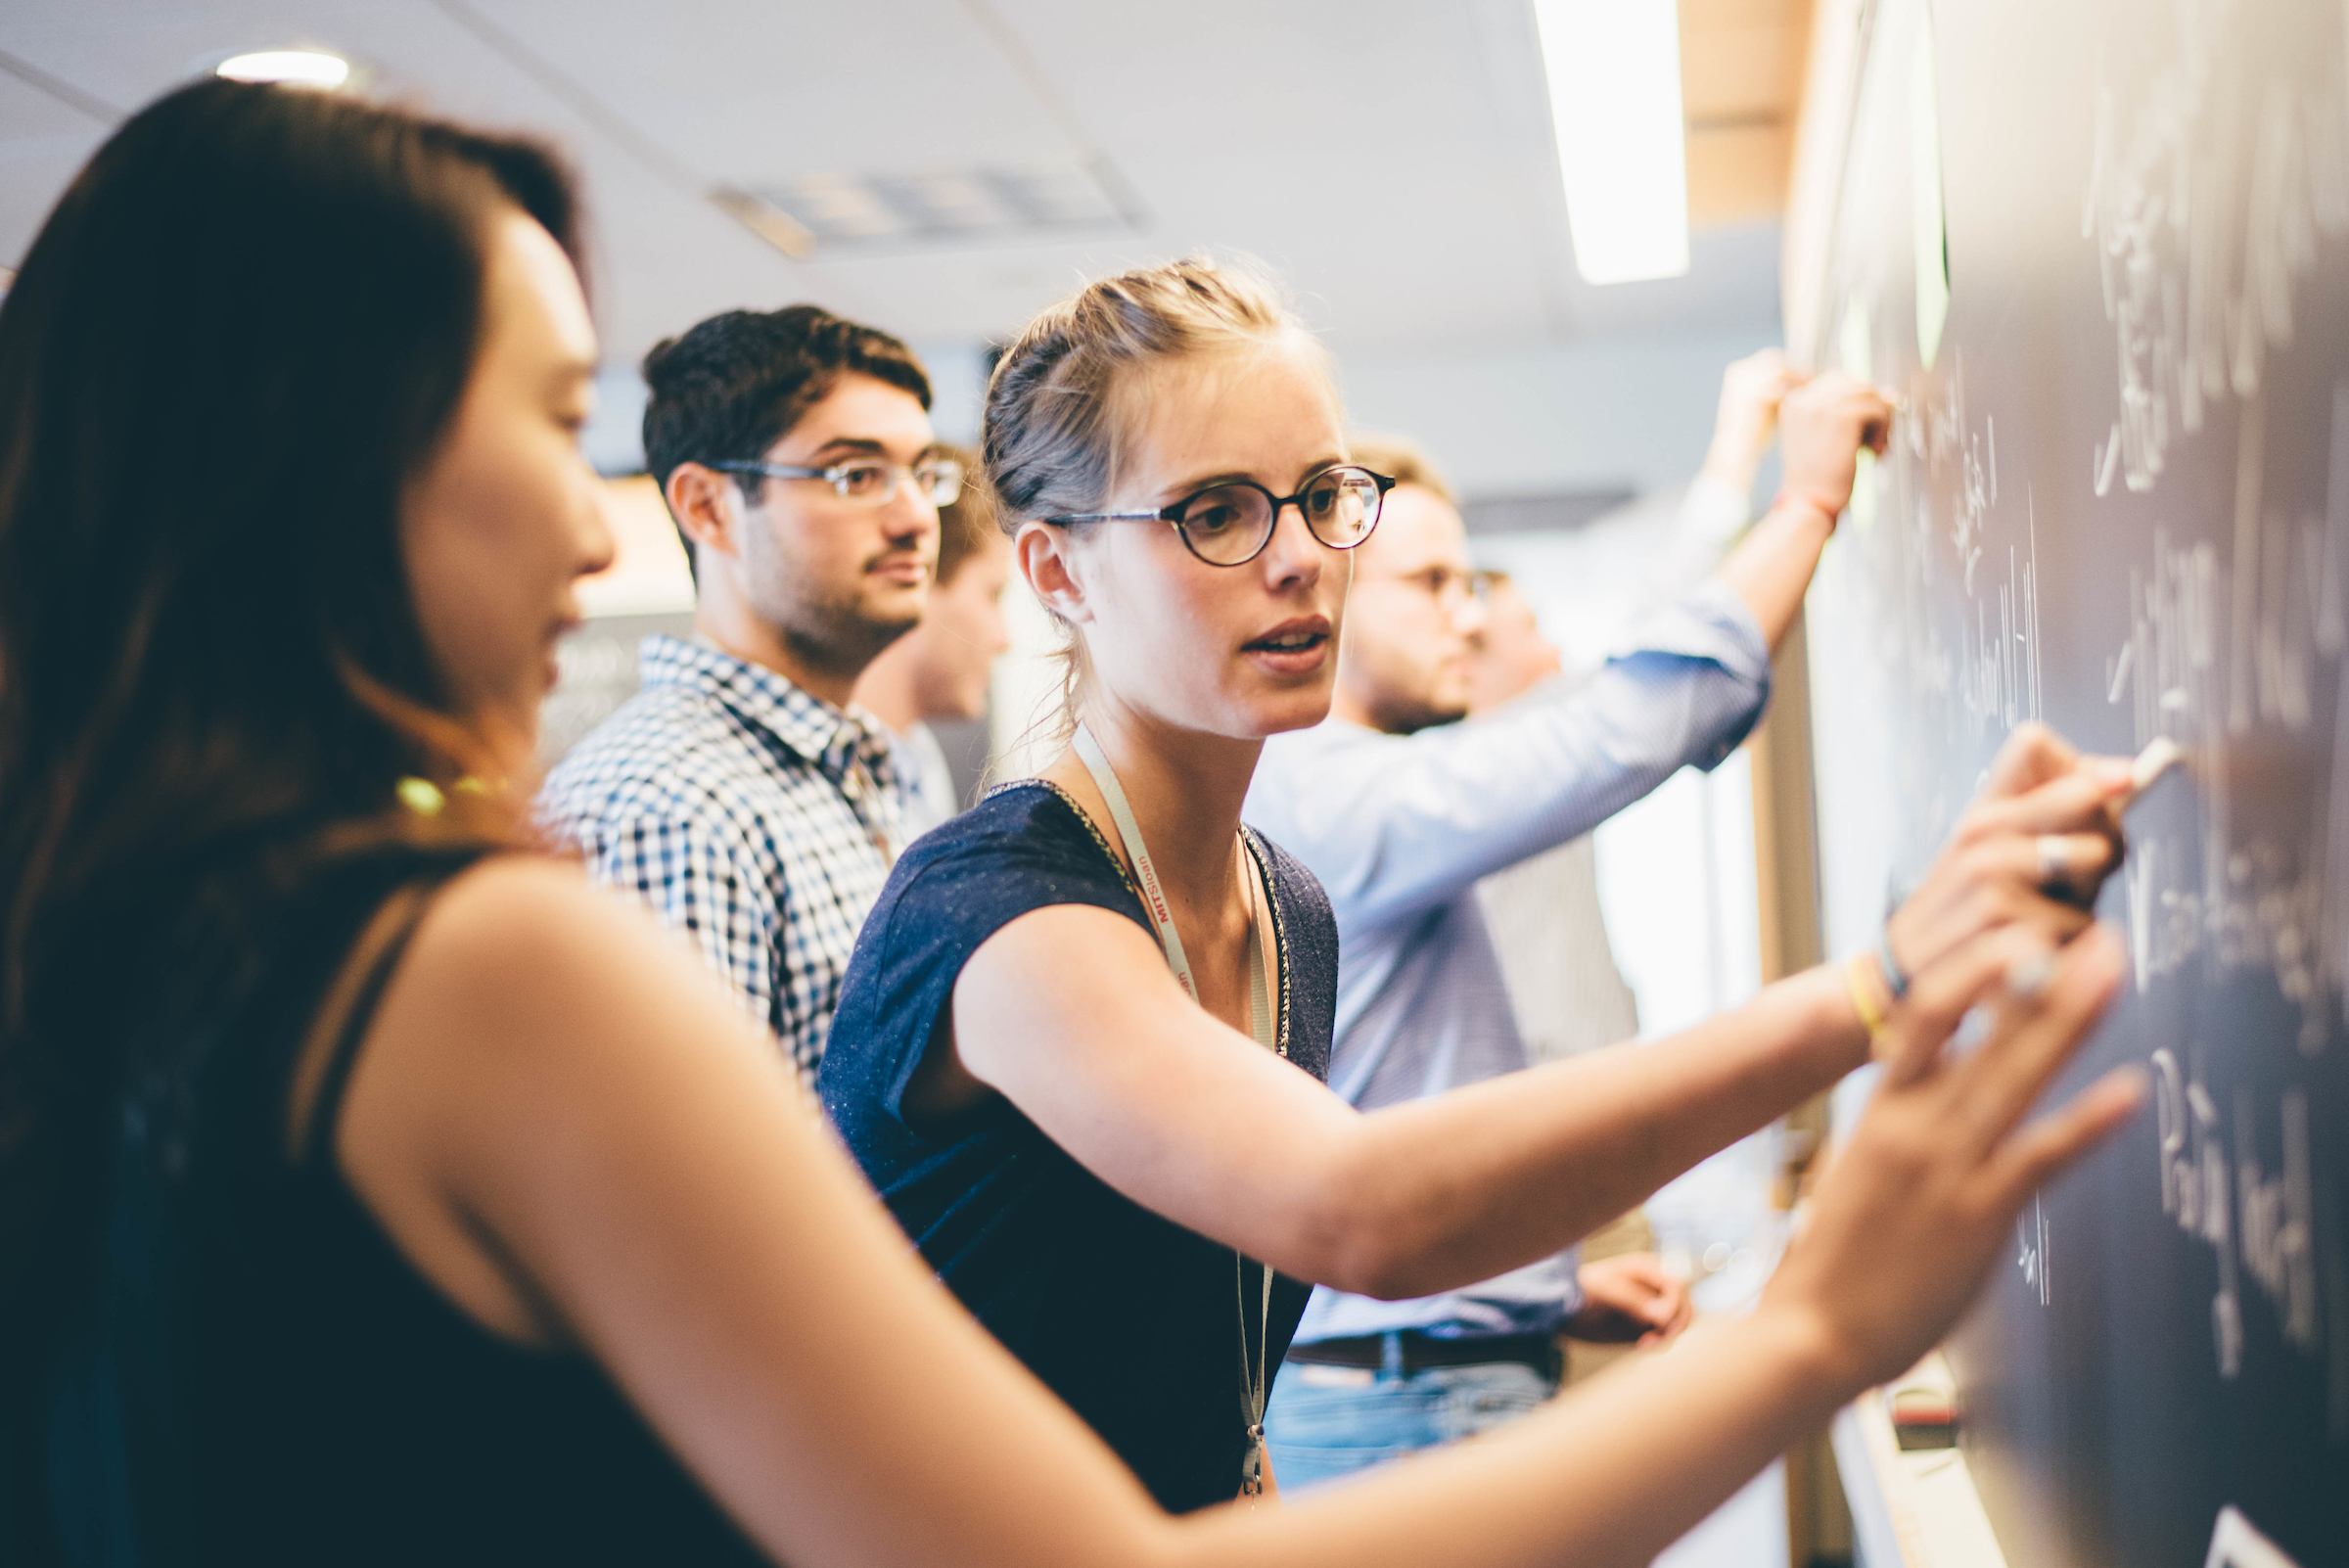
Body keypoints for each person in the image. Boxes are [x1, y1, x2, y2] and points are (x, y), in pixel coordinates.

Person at [2, 82, 2144, 1568]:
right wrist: (1819, 1308)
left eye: (1328, 502)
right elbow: (1341, 1234)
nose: (589, 536)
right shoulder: (494, 955)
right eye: (553, 426)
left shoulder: (161, 945)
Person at [815, 256, 2142, 1513]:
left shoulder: (1283, 905)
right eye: (1215, 511)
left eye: (1323, 492)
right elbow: (1362, 1209)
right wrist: (1879, 989)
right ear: (1057, 573)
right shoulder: (1004, 914)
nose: (1298, 556)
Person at [1243, 375, 1852, 1487]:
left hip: (1430, 1368)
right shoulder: (1333, 796)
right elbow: (1621, 728)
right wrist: (1803, 504)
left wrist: (1543, 1290)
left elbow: (1401, 1097)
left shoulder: (1354, 785)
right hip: (1406, 1397)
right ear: (1322, 595)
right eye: (1432, 584)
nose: (1468, 616)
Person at [538, 303, 959, 1079]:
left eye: (923, 473)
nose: (913, 517)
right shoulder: (667, 807)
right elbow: (676, 1185)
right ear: (708, 507)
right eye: (856, 475)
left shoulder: (867, 763)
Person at [853, 450, 1013, 838]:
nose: (1003, 639)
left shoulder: (919, 761)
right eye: (992, 595)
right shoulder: (840, 777)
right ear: (920, 579)